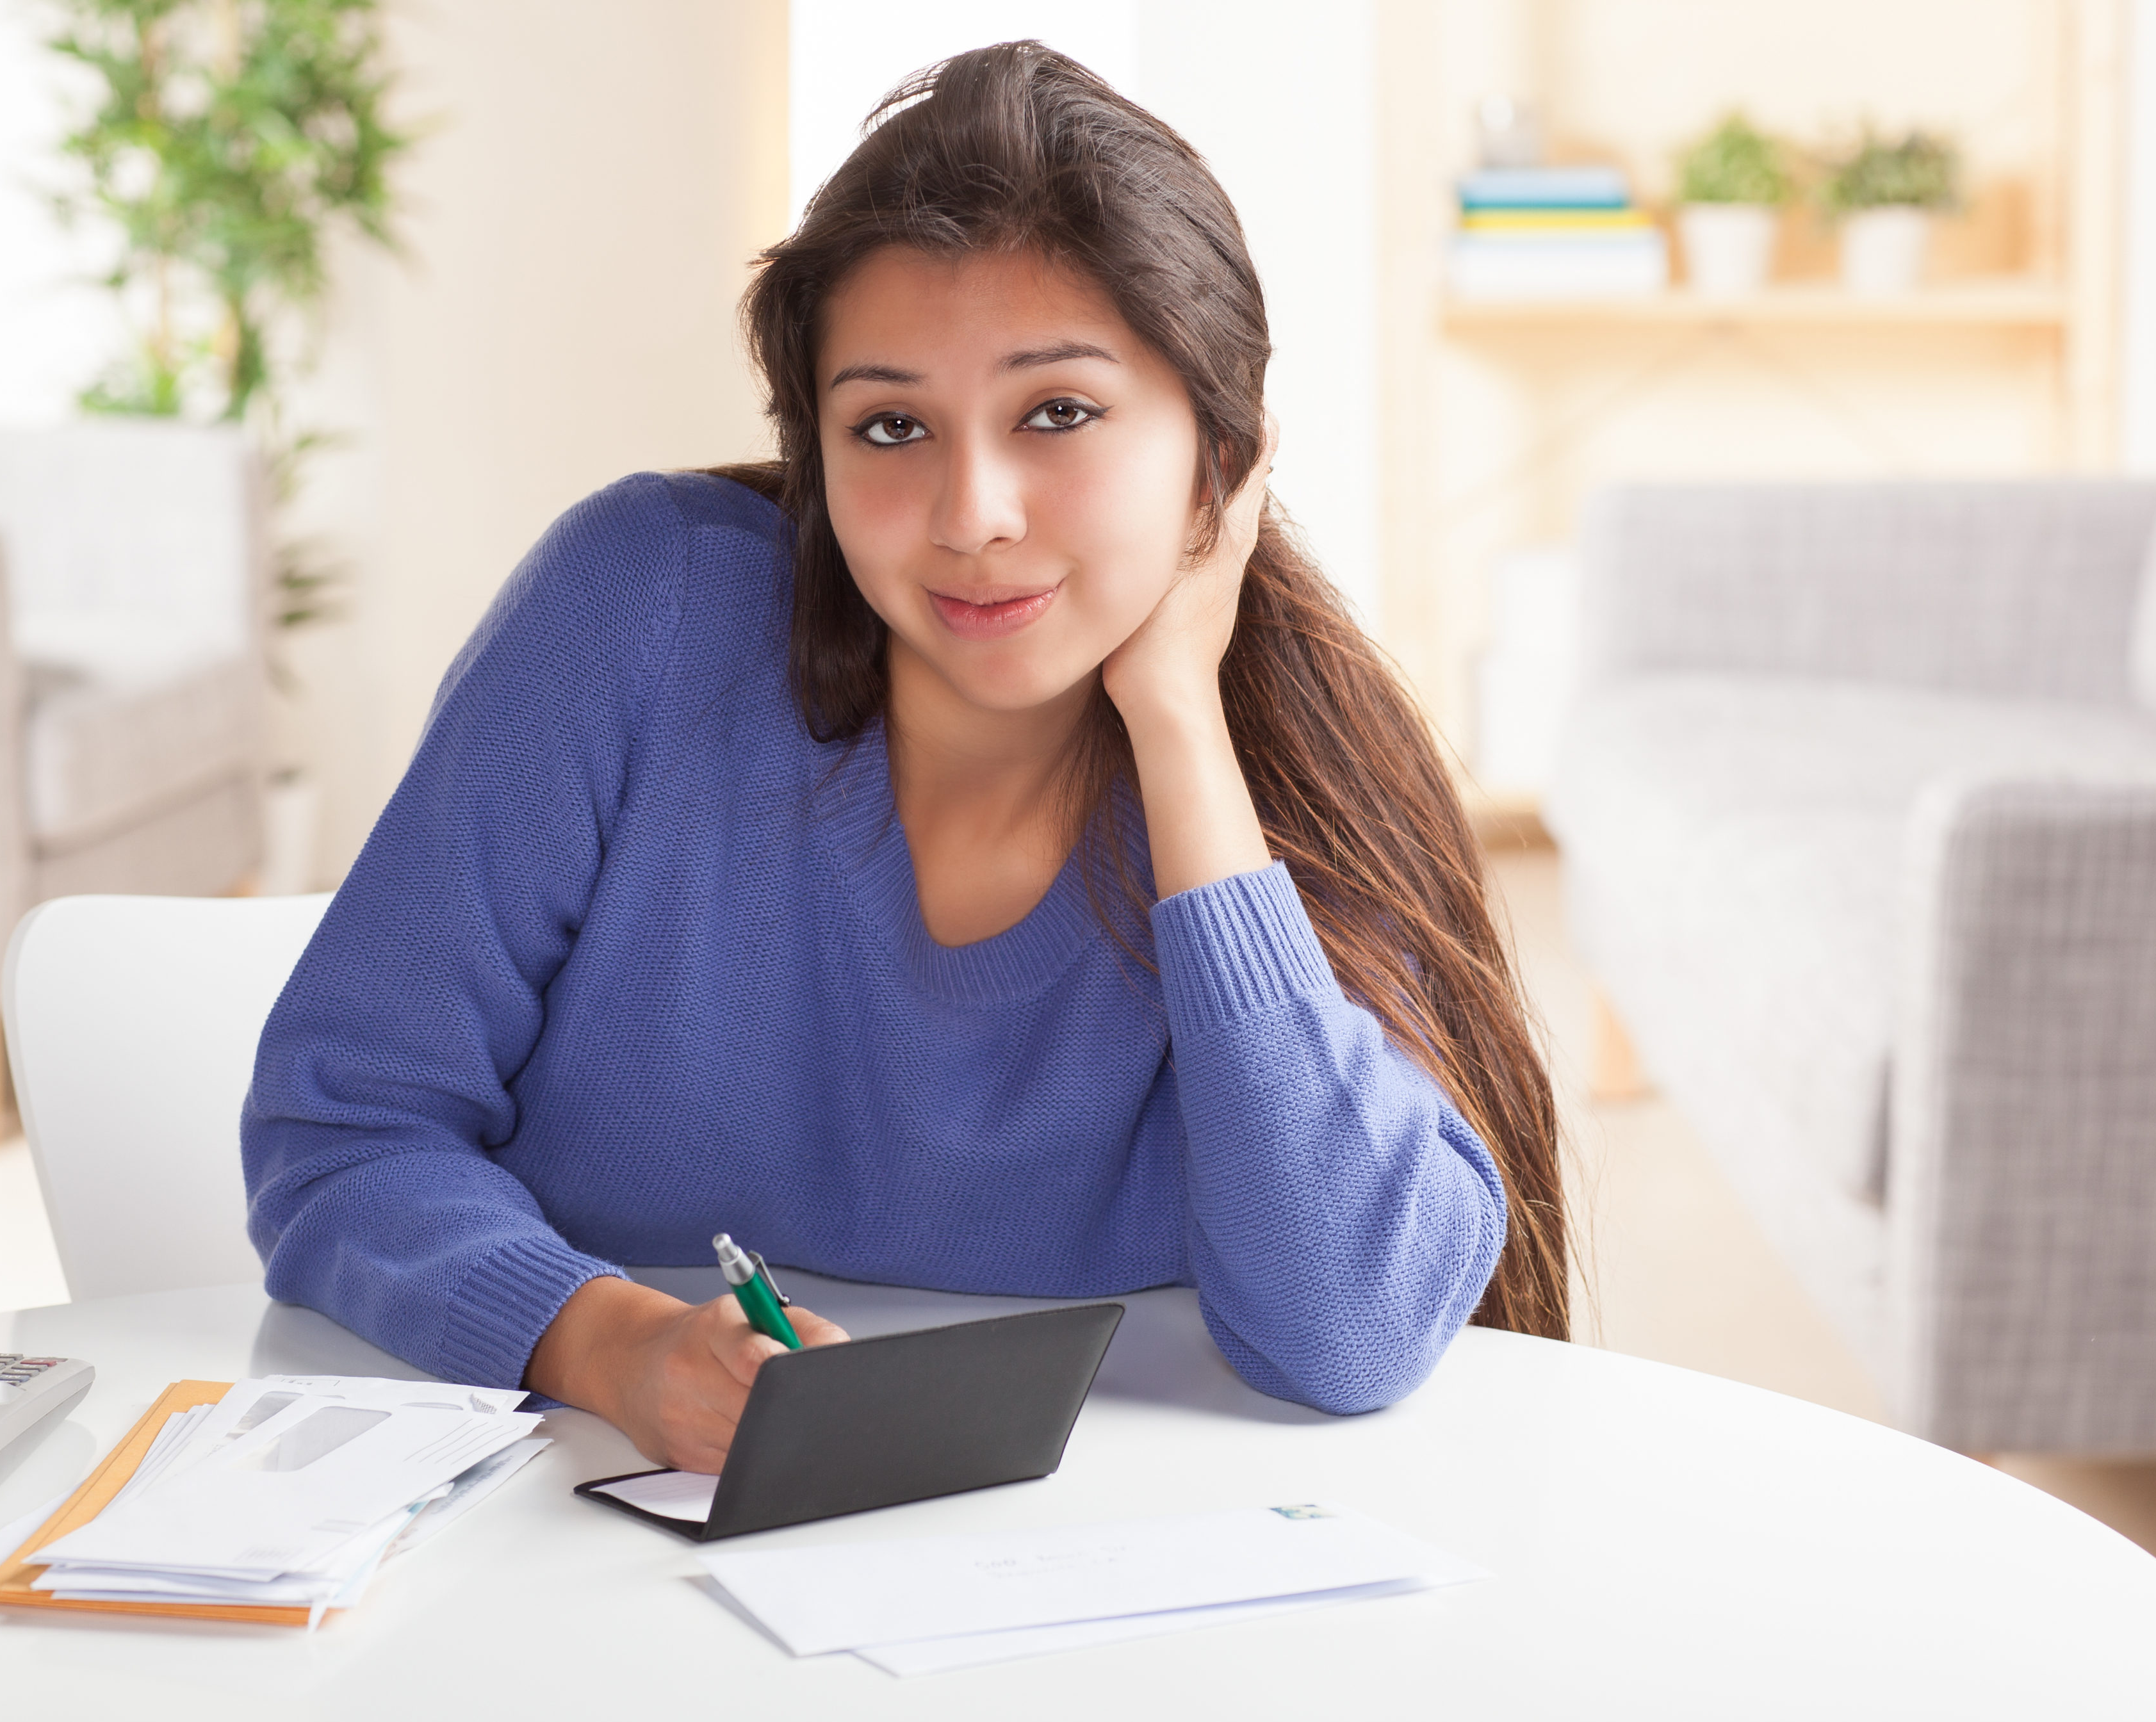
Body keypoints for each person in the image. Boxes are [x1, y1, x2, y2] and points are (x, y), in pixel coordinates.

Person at [242, 42, 1568, 1475]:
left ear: (1224, 446)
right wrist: (615, 1346)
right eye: (890, 427)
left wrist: (1179, 719)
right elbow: (344, 1131)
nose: (970, 512)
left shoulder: (1295, 787)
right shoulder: (639, 611)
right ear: (813, 453)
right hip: (594, 1532)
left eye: (1056, 412)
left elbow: (1347, 1332)